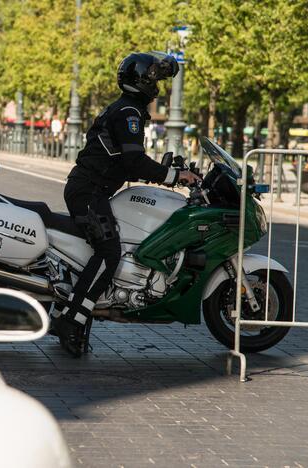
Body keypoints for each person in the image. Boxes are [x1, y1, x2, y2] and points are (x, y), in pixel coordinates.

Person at [54, 51, 202, 355]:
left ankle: (75, 313)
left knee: (105, 248)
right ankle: (71, 321)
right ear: (141, 81)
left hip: (92, 190)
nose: (157, 85)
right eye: (154, 78)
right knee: (109, 253)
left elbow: (131, 161)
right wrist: (176, 175)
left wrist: (173, 172)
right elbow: (135, 162)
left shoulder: (127, 109)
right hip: (89, 192)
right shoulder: (128, 114)